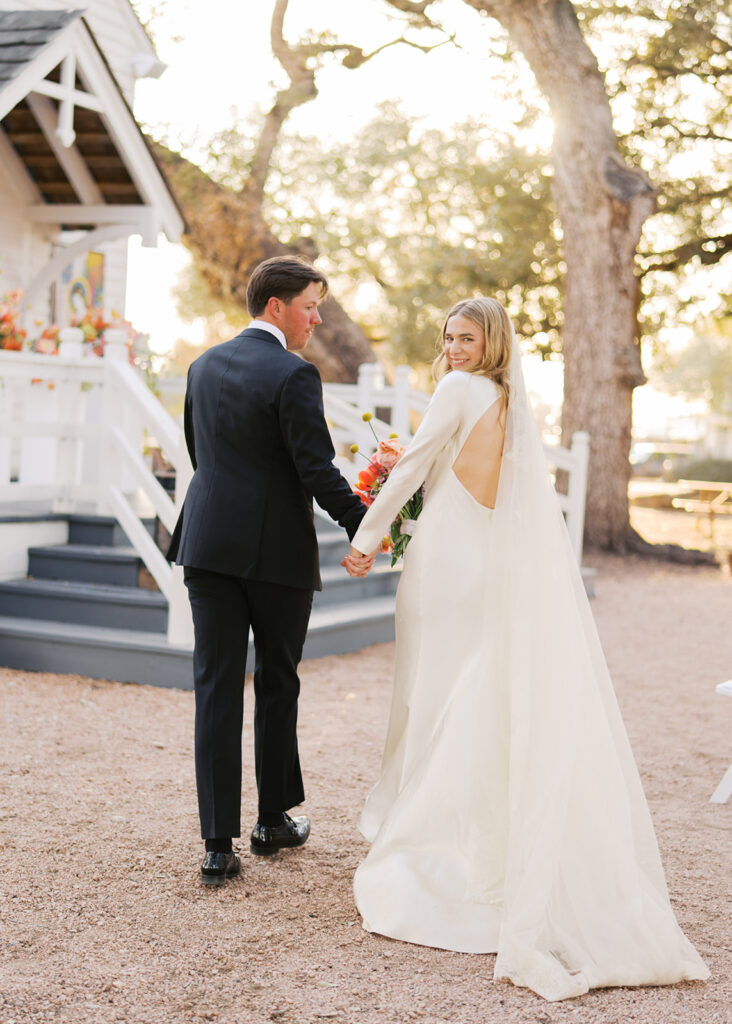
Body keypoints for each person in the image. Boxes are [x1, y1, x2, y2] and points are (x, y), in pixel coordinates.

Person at [342, 297, 709, 1001]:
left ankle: (430, 841)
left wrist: (367, 539)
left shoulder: (457, 389)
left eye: (467, 337)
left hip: (445, 557)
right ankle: (483, 845)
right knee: (467, 694)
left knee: (428, 695)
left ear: (492, 342)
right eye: (447, 335)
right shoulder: (508, 402)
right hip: (482, 560)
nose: (453, 347)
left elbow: (417, 465)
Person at [167, 255, 370, 887]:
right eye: (311, 306)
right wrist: (367, 524)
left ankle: (216, 845)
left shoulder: (202, 366)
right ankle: (272, 822)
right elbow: (315, 469)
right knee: (278, 681)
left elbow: (203, 455)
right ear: (277, 307)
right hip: (275, 555)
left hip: (206, 544)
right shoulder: (294, 373)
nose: (316, 319)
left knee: (216, 686)